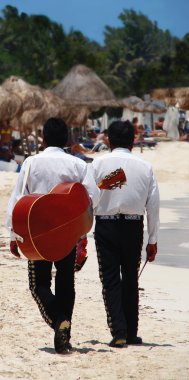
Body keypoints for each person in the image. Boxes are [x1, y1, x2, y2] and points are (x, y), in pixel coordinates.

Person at [6, 118, 101, 354]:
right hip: (68, 231)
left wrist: (13, 233)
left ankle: (59, 321)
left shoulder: (31, 162)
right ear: (68, 140)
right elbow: (94, 198)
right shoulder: (78, 165)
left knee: (38, 284)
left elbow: (18, 198)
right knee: (66, 280)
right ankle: (64, 334)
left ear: (44, 139)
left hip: (36, 231)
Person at [88, 120, 160, 348]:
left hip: (106, 225)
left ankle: (119, 330)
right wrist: (153, 240)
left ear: (108, 139)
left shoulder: (97, 165)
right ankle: (132, 332)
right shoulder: (145, 166)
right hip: (133, 225)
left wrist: (81, 234)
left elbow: (89, 201)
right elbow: (154, 205)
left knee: (110, 279)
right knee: (130, 277)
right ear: (133, 140)